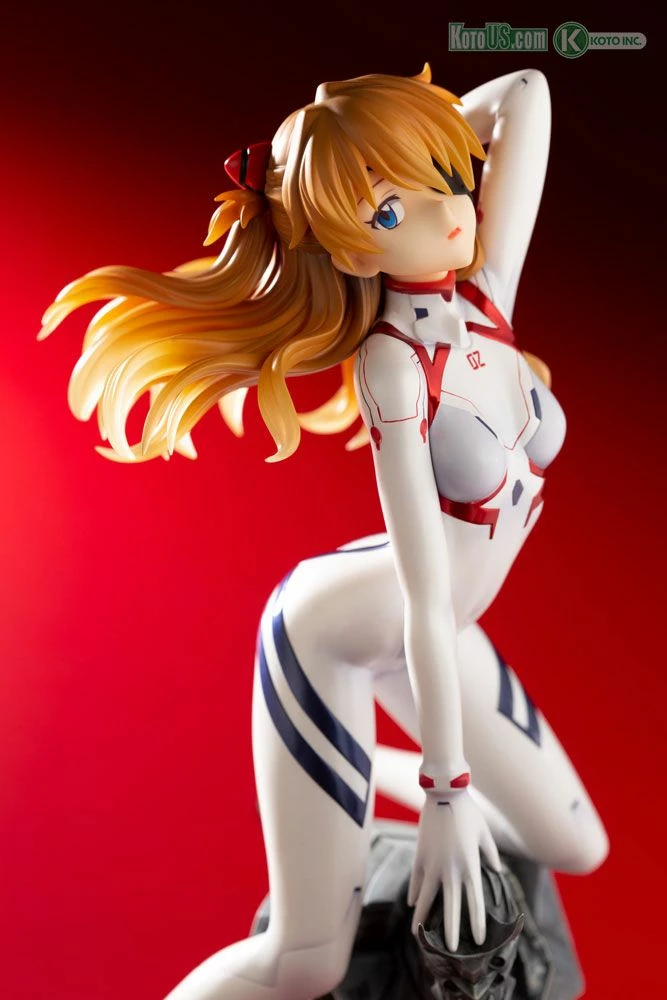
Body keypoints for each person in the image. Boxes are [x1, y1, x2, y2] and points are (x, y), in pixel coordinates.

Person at [40, 65, 608, 1000]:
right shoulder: (394, 368)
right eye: (389, 213)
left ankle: (351, 783)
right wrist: (446, 791)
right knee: (305, 963)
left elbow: (526, 94)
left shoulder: (486, 299)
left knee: (575, 844)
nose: (446, 215)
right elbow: (422, 598)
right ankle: (341, 801)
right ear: (346, 247)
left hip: (435, 627)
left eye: (444, 178)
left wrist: (374, 140)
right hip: (339, 634)